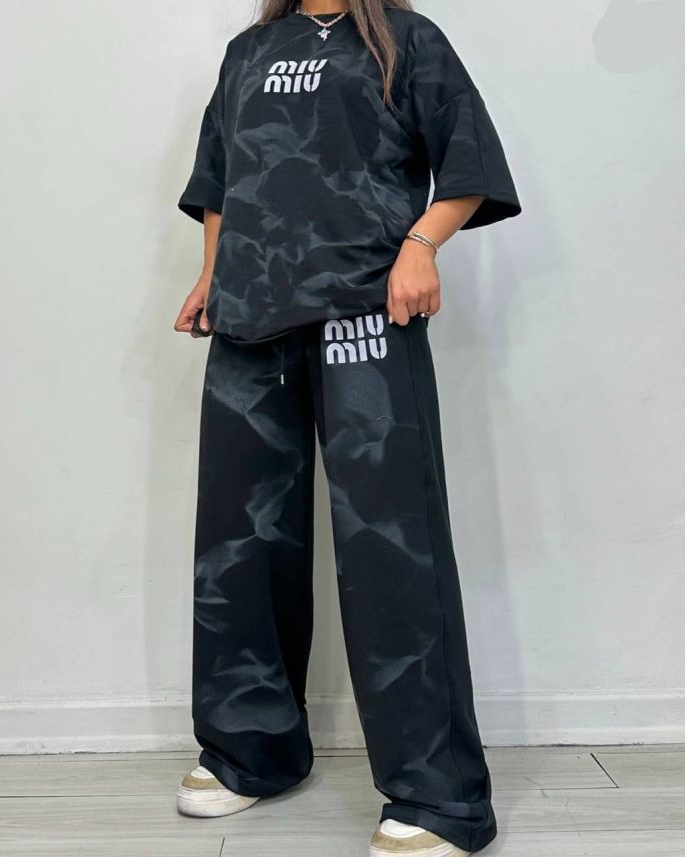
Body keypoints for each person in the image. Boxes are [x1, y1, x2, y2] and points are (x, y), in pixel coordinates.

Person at [173, 2, 521, 855]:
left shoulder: (407, 39)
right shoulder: (249, 50)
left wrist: (421, 245)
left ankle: (436, 794)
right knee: (240, 546)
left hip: (365, 313)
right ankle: (250, 751)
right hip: (251, 323)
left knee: (391, 546)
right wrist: (212, 274)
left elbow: (468, 161)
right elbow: (221, 178)